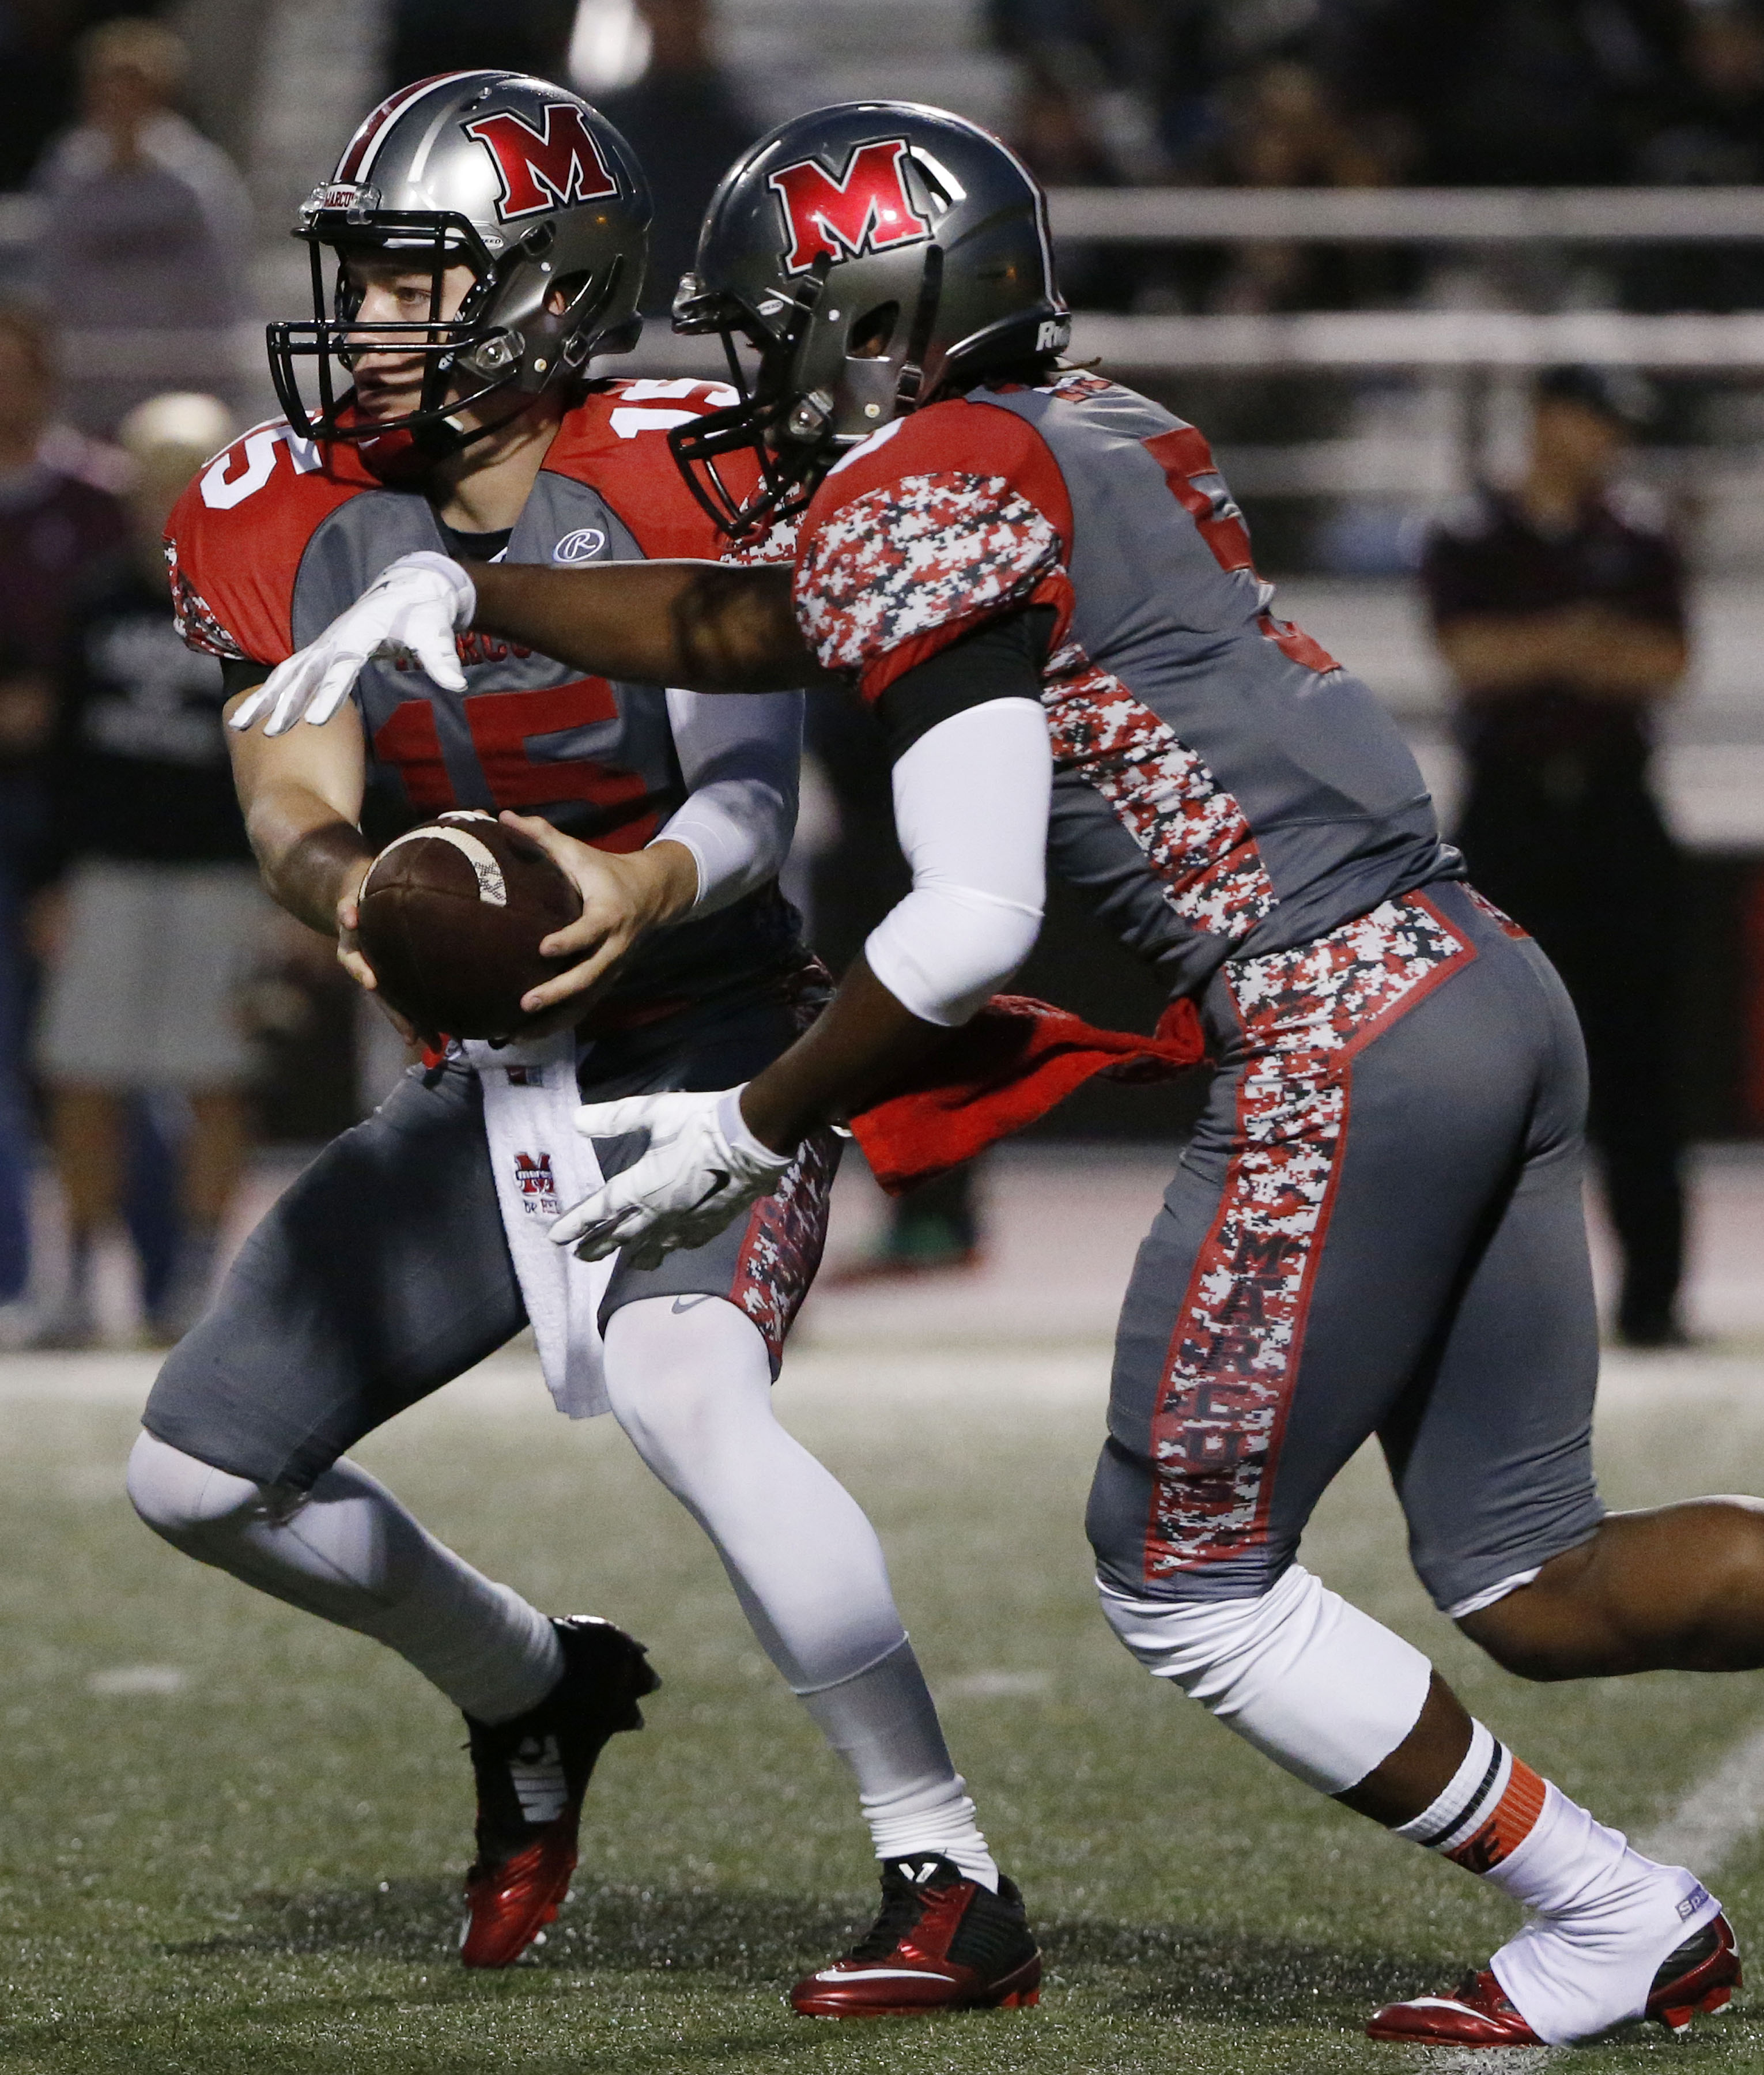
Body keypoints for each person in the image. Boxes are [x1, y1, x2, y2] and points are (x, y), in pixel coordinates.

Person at [262, 102, 1764, 2047]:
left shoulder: (930, 485)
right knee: (1536, 1579)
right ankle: (1615, 1909)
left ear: (882, 317)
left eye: (775, 330)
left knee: (1185, 1578)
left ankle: (1609, 1909)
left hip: (1334, 1018)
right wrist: (476, 590)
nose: (746, 377)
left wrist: (752, 1122)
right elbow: (769, 614)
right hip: (1472, 973)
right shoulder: (1090, 424)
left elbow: (964, 917)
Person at [127, 74, 1040, 2014]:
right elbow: (289, 788)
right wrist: (353, 894)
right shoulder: (279, 504)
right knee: (196, 1482)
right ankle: (536, 1685)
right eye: (358, 276)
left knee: (688, 1394)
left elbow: (746, 798)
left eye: (404, 278)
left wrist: (642, 892)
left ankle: (947, 1869)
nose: (360, 318)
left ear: (547, 293)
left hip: (715, 1040)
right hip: (488, 1083)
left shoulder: (679, 461)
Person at [1423, 365, 1690, 1347]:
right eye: (1597, 421)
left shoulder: (1642, 532)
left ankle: (1654, 1303)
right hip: (1512, 820)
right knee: (1497, 1074)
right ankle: (1486, 1311)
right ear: (1547, 421)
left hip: (1617, 816)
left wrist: (1534, 649)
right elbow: (1467, 659)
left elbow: (1665, 665)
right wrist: (1579, 641)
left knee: (1639, 1067)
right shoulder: (1469, 532)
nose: (1611, 442)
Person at [29, 390, 264, 1349]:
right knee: (85, 1080)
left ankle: (201, 1280)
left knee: (218, 1081)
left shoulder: (258, 597)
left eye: (188, 471)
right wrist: (53, 877)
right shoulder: (96, 600)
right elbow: (64, 752)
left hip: (222, 876)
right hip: (111, 872)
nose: (169, 494)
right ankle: (83, 1278)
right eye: (154, 474)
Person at [0, 303, 132, 1325]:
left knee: (119, 1046)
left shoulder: (99, 497)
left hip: (96, 800)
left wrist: (59, 698)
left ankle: (153, 1265)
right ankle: (19, 1276)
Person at [29, 17, 251, 434]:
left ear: (163, 93)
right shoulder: (67, 171)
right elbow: (50, 276)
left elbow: (224, 281)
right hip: (86, 387)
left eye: (134, 83)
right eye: (107, 82)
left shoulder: (200, 176)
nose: (119, 96)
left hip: (179, 385)